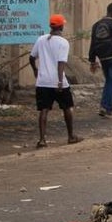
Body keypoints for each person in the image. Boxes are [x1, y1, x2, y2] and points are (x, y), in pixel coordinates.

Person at [29, 14, 81, 148]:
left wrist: (35, 70)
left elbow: (31, 57)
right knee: (67, 108)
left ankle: (42, 140)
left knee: (44, 110)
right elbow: (61, 63)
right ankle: (71, 136)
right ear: (61, 26)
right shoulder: (63, 42)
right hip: (58, 81)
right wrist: (59, 81)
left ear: (50, 26)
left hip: (43, 81)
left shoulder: (41, 39)